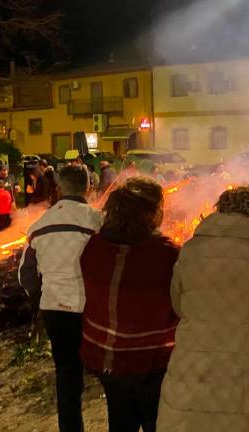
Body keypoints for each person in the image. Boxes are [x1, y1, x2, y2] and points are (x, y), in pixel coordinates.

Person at [157, 186, 249, 432]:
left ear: (221, 210)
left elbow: (179, 304)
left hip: (191, 376)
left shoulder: (192, 250)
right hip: (246, 381)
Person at [79, 177, 179, 432]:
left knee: (120, 420)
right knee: (158, 421)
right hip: (153, 360)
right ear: (149, 213)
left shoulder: (94, 246)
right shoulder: (166, 253)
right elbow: (182, 303)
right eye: (160, 207)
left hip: (107, 358)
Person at [18, 166, 103, 432]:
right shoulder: (98, 221)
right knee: (109, 375)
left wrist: (39, 300)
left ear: (59, 188)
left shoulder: (39, 225)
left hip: (55, 309)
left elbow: (26, 273)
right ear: (88, 187)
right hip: (92, 310)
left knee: (66, 375)